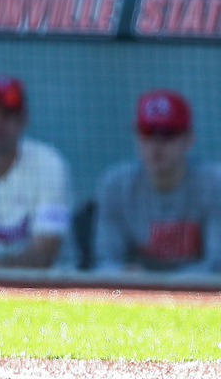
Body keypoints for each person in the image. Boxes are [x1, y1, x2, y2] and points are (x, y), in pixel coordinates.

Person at [93, 89, 221, 273]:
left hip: (198, 298)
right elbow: (104, 262)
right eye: (147, 133)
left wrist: (161, 286)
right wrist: (123, 274)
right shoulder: (115, 185)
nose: (156, 145)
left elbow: (217, 265)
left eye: (167, 134)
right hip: (134, 298)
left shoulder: (214, 184)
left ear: (189, 138)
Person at [0, 74, 71, 269]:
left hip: (42, 286)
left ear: (23, 119)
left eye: (7, 113)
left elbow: (46, 249)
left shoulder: (48, 163)